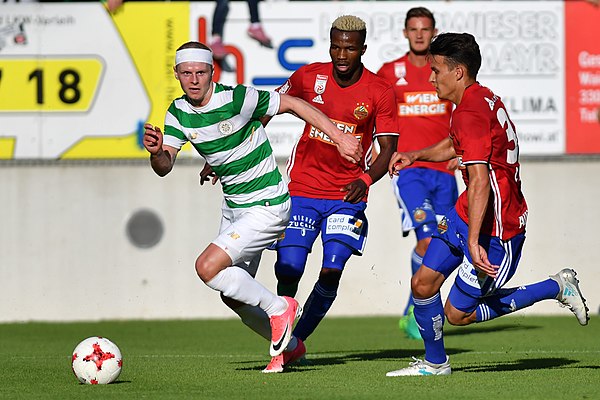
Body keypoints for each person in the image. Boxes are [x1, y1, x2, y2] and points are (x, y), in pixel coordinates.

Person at [143, 41, 362, 368]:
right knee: (232, 295)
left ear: (211, 72)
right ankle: (292, 347)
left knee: (206, 267)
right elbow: (165, 167)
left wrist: (339, 136)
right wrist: (157, 152)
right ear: (176, 74)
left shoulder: (236, 98)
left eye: (200, 72)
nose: (193, 79)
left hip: (268, 205)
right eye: (186, 73)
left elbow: (294, 104)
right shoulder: (178, 113)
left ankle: (279, 308)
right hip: (234, 209)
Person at [385, 32, 589, 377]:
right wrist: (416, 154)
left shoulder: (470, 112)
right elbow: (455, 145)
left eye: (436, 70)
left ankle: (555, 286)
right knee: (422, 284)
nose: (431, 77)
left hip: (498, 231)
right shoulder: (478, 100)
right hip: (465, 215)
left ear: (458, 72)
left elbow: (480, 180)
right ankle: (436, 364)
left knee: (457, 315)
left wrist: (474, 242)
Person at [262, 15, 399, 373]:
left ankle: (293, 343)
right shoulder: (309, 76)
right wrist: (235, 153)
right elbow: (268, 109)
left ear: (363, 50)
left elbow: (386, 149)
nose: (341, 54)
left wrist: (366, 180)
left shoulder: (380, 91)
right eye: (335, 46)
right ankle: (284, 329)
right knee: (289, 267)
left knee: (331, 270)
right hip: (303, 189)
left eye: (349, 48)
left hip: (347, 195)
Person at [376, 7, 457, 340]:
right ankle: (416, 312)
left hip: (445, 173)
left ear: (434, 32)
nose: (420, 35)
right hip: (410, 171)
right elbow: (376, 113)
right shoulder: (390, 72)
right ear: (405, 32)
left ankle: (415, 306)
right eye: (414, 29)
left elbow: (463, 113)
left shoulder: (448, 70)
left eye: (425, 29)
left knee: (440, 242)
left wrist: (460, 152)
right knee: (426, 237)